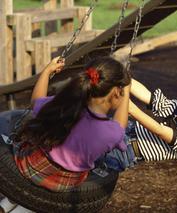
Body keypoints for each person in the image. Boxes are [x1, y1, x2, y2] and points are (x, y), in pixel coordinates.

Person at [0, 56, 131, 194]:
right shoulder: (111, 132)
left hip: (30, 166)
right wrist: (127, 91)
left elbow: (36, 101)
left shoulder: (64, 105)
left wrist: (47, 71)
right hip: (65, 183)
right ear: (117, 92)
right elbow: (120, 125)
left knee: (33, 126)